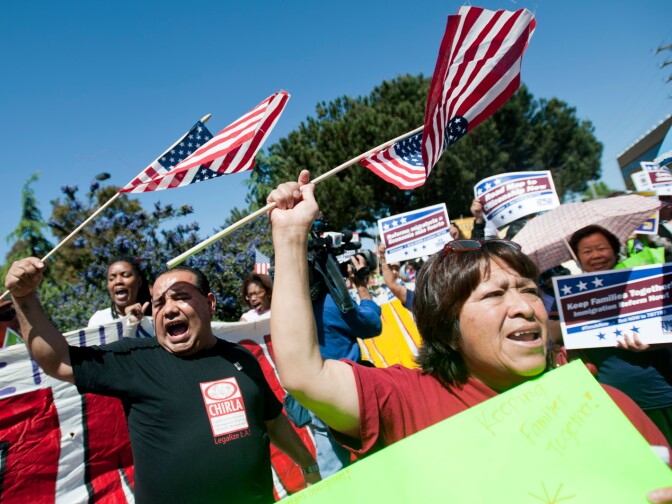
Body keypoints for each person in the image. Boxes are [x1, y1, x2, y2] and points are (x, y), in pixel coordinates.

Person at [265, 171, 669, 472]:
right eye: (494, 294)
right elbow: (304, 374)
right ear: (447, 326)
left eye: (528, 289)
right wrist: (289, 236)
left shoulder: (607, 403)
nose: (524, 307)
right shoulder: (408, 400)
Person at [5, 259, 319, 503]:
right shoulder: (135, 360)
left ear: (209, 304)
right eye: (158, 303)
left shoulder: (243, 359)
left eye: (180, 297)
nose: (168, 310)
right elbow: (56, 360)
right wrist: (24, 298)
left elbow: (272, 420)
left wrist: (308, 467)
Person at [568, 224, 672, 445]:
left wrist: (657, 341)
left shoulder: (646, 281)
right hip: (617, 399)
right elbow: (556, 336)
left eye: (601, 248)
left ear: (615, 251)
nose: (596, 255)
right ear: (577, 258)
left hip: (663, 389)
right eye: (587, 251)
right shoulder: (569, 296)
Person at [88, 259, 152, 326]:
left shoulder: (153, 319)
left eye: (125, 276)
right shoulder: (100, 320)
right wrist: (129, 321)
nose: (118, 281)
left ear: (139, 281)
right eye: (112, 278)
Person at [377, 242, 414, 311]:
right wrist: (382, 257)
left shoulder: (409, 286)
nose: (394, 272)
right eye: (391, 269)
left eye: (396, 269)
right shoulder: (380, 291)